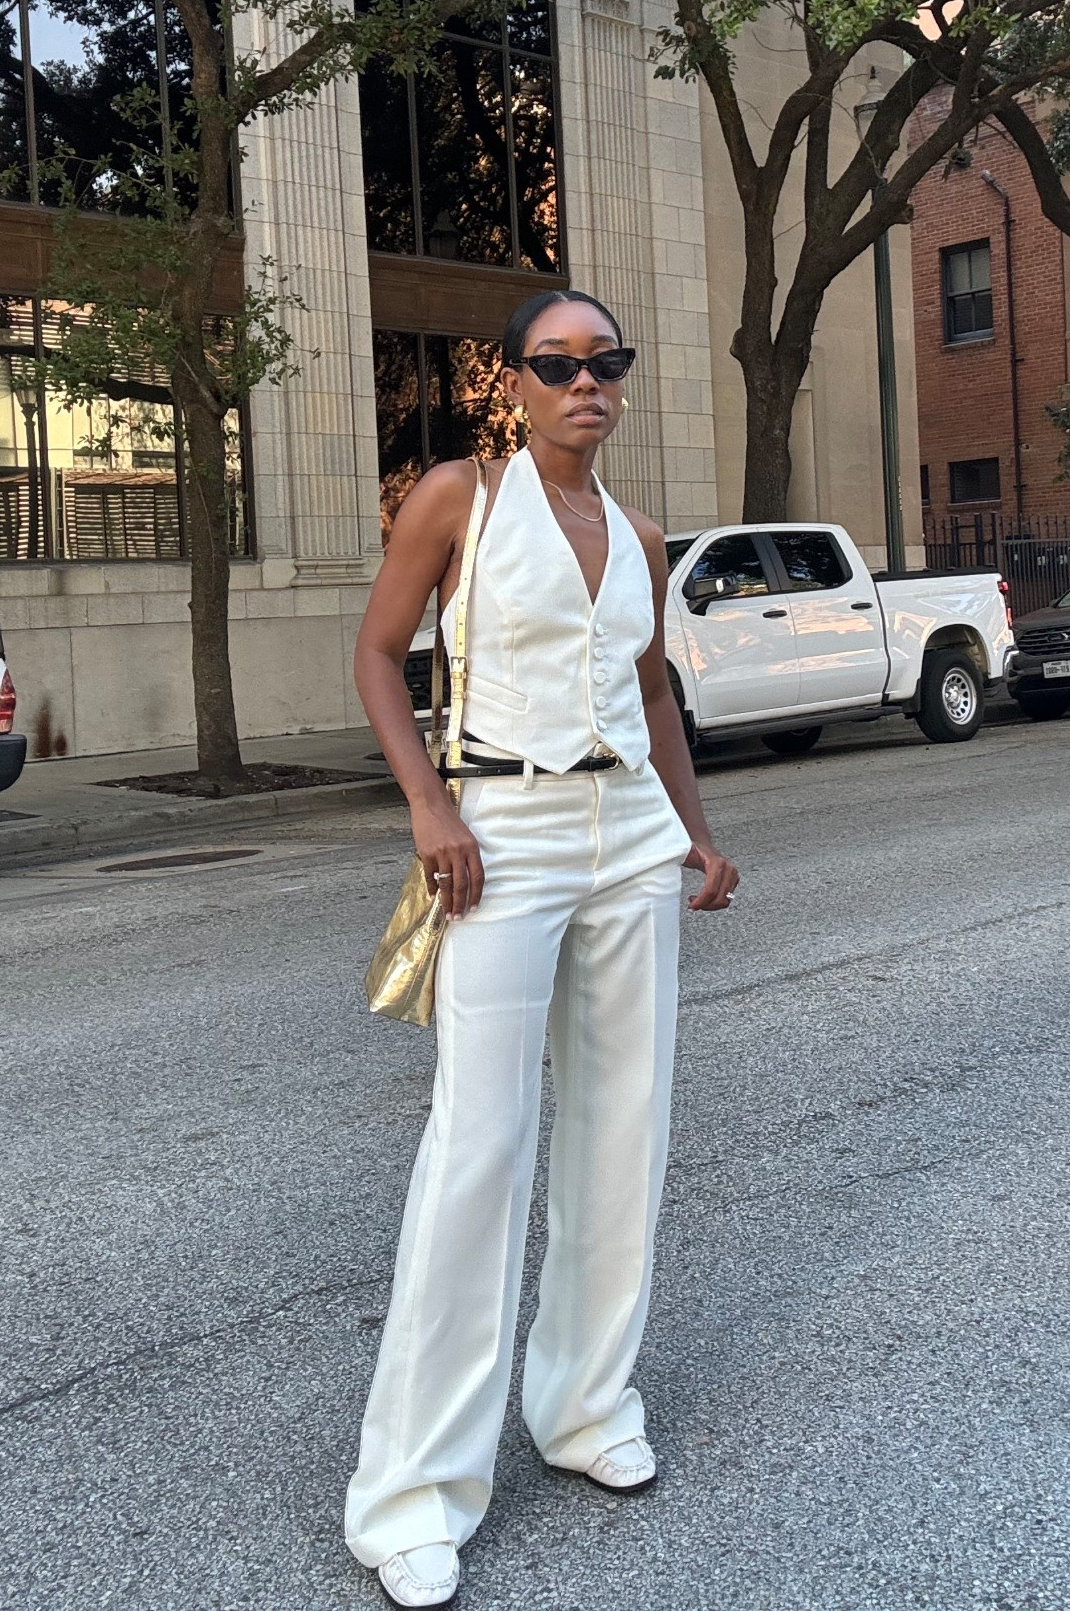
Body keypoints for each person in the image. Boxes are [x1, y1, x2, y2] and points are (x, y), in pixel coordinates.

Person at [345, 289, 739, 1607]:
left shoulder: (637, 532)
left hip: (625, 828)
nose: (586, 382)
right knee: (480, 1141)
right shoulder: (459, 496)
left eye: (605, 362)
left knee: (625, 1121)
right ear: (508, 381)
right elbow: (378, 653)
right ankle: (412, 1492)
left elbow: (650, 691)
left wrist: (693, 832)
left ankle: (583, 1404)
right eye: (558, 364)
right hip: (498, 825)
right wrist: (428, 802)